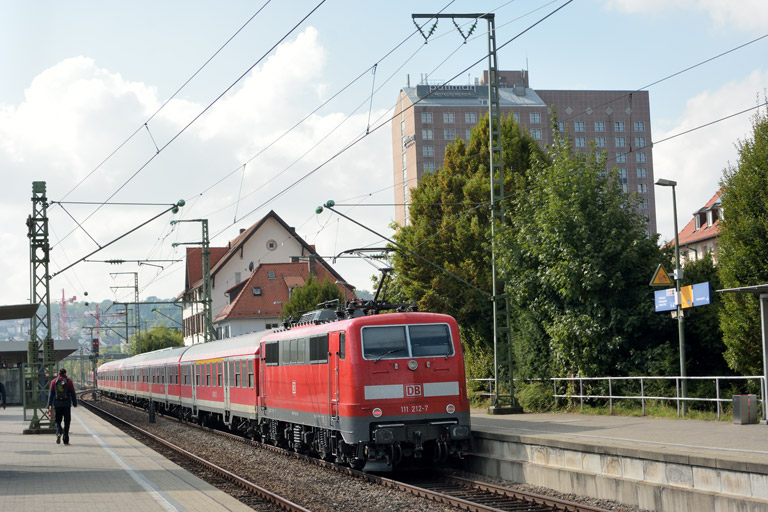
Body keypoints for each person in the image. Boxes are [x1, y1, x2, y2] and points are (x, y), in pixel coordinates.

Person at [47, 368, 77, 445]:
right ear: (65, 373)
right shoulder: (69, 382)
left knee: (58, 420)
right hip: (66, 404)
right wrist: (74, 403)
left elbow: (51, 394)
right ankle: (65, 438)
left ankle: (59, 432)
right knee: (67, 421)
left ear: (58, 373)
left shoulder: (54, 382)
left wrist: (49, 404)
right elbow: (73, 393)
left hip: (57, 405)